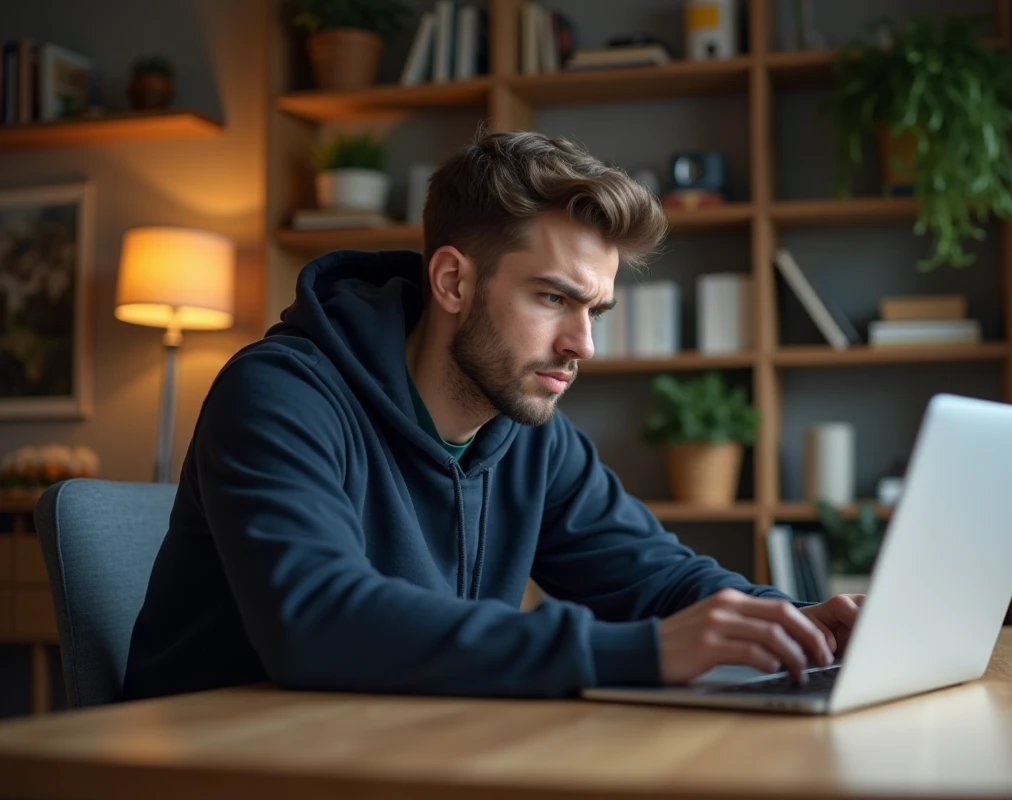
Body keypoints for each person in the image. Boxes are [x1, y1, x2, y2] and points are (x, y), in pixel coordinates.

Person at [122, 130, 864, 701]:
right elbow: (317, 622)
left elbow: (660, 581)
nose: (584, 345)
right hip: (221, 767)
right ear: (451, 280)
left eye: (595, 309)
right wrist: (647, 652)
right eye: (553, 298)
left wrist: (802, 622)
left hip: (392, 750)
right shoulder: (280, 396)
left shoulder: (527, 431)